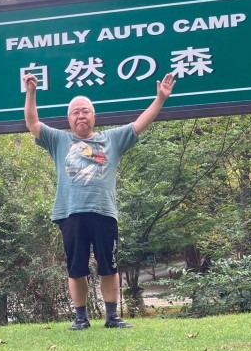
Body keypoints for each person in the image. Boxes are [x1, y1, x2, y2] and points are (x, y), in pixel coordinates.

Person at [23, 71, 176, 329]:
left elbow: (140, 123)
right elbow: (32, 122)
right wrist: (31, 93)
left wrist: (160, 99)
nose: (81, 115)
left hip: (104, 212)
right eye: (75, 112)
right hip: (70, 213)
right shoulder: (58, 140)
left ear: (94, 115)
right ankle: (80, 317)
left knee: (109, 266)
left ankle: (112, 317)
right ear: (69, 119)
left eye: (85, 111)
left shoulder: (111, 139)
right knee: (76, 269)